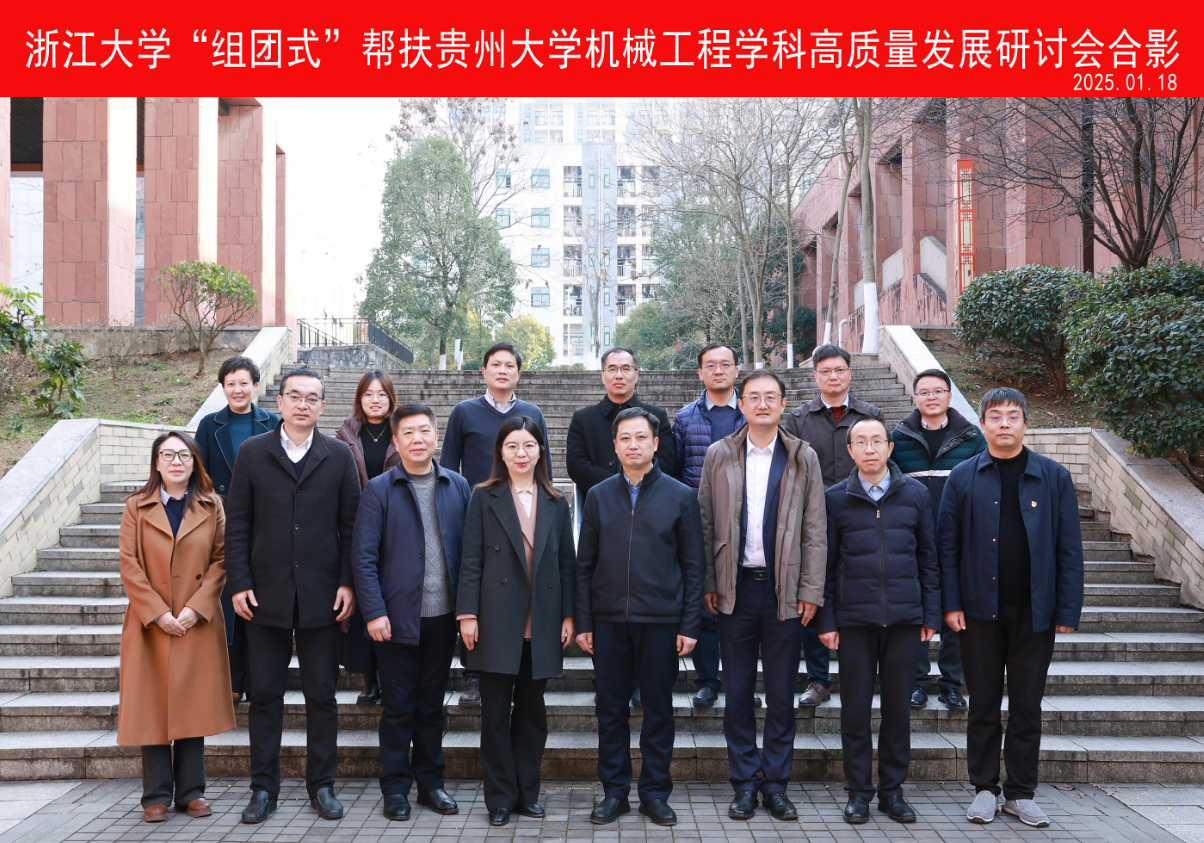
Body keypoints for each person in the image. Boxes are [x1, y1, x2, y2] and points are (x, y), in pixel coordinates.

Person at [940, 388, 1084, 829]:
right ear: (982, 424)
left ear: (1025, 423)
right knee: (982, 703)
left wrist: (1067, 608)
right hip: (978, 612)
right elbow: (947, 547)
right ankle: (985, 789)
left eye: (1013, 416)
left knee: (1027, 704)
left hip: (1035, 613)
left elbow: (1069, 548)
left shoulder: (1053, 476)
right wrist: (951, 603)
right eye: (996, 416)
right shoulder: (962, 476)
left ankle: (1021, 793)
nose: (1004, 423)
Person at [225, 367, 362, 824]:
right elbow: (237, 524)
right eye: (295, 396)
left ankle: (322, 785)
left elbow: (352, 527)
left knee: (322, 695)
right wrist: (239, 582)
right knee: (265, 695)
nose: (303, 404)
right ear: (279, 402)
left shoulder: (339, 455)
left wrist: (347, 583)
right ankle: (263, 789)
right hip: (264, 596)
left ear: (323, 406)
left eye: (312, 398)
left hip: (323, 596)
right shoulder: (252, 452)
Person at [698, 371, 827, 822]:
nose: (762, 404)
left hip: (783, 593)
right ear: (742, 404)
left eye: (771, 397)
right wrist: (709, 581)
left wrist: (811, 589)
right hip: (733, 589)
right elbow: (705, 521)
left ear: (783, 403)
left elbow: (815, 528)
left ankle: (775, 785)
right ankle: (745, 784)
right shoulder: (720, 454)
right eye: (753, 396)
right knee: (736, 693)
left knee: (780, 694)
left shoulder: (802, 456)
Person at [575, 407, 703, 828]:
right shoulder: (598, 496)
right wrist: (584, 621)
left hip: (661, 622)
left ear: (655, 443)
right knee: (610, 710)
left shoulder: (680, 496)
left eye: (641, 437)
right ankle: (615, 793)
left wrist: (689, 624)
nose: (633, 445)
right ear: (614, 446)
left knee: (658, 711)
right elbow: (584, 564)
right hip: (609, 621)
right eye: (625, 438)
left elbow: (693, 567)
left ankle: (654, 793)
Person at [351, 403, 472, 822]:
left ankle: (431, 784)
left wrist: (467, 611)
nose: (417, 439)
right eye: (408, 433)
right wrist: (374, 612)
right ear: (396, 441)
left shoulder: (457, 485)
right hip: (396, 620)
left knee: (431, 707)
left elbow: (470, 555)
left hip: (443, 618)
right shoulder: (379, 489)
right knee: (398, 708)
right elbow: (363, 557)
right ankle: (396, 789)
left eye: (424, 431)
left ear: (436, 436)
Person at [816, 418, 940, 825]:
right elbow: (826, 565)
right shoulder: (835, 498)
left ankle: (892, 791)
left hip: (905, 620)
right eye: (861, 442)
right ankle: (858, 792)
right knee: (854, 711)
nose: (869, 449)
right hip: (854, 621)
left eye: (876, 441)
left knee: (897, 711)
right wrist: (827, 620)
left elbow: (929, 558)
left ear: (890, 447)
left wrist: (930, 613)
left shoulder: (916, 494)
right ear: (850, 451)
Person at [457, 418, 576, 827]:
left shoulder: (557, 500)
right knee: (494, 715)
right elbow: (471, 559)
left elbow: (567, 563)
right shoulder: (483, 496)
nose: (521, 453)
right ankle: (500, 798)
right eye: (512, 446)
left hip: (541, 620)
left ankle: (527, 793)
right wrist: (467, 614)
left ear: (541, 451)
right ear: (501, 453)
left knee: (531, 713)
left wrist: (568, 614)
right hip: (495, 619)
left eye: (528, 445)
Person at [117, 431, 235, 823]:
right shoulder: (136, 506)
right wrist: (157, 612)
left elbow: (221, 560)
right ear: (156, 462)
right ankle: (155, 795)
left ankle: (191, 792)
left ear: (194, 461)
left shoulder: (211, 504)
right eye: (168, 455)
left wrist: (196, 608)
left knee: (191, 704)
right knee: (150, 708)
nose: (176, 462)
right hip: (149, 623)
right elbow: (129, 564)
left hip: (194, 621)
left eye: (183, 454)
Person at [441, 342, 550, 705]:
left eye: (509, 365)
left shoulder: (531, 412)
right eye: (496, 365)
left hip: (522, 512)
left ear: (519, 372)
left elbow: (544, 463)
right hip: (478, 515)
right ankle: (473, 672)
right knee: (476, 589)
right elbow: (449, 466)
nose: (502, 370)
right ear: (484, 371)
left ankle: (518, 666)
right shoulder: (464, 412)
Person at [567, 347, 676, 710]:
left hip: (652, 518)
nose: (619, 374)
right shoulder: (583, 418)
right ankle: (609, 679)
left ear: (636, 374)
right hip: (601, 517)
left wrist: (636, 484)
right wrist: (617, 487)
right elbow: (576, 465)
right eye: (612, 368)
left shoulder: (657, 417)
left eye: (626, 368)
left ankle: (642, 682)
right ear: (602, 375)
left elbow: (669, 461)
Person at [783, 344, 886, 709]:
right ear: (815, 376)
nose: (833, 376)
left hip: (862, 517)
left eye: (839, 370)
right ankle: (818, 678)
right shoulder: (798, 418)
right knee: (814, 593)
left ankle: (864, 673)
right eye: (825, 371)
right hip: (815, 520)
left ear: (849, 373)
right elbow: (791, 470)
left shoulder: (870, 415)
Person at [890, 368, 985, 711]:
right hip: (912, 540)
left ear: (949, 395)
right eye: (924, 392)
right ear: (915, 397)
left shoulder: (972, 438)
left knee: (956, 612)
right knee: (915, 612)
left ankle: (951, 685)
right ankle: (917, 683)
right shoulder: (898, 438)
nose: (931, 397)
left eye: (938, 391)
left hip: (959, 540)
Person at [194, 355, 279, 706]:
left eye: (244, 383)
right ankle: (233, 678)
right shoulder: (208, 425)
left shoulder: (273, 423)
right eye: (231, 384)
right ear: (223, 387)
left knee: (260, 600)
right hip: (222, 524)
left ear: (255, 385)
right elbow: (198, 476)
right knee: (229, 603)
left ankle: (260, 679)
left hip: (265, 524)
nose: (238, 389)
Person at [673, 343, 752, 710]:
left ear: (736, 370)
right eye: (710, 365)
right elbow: (675, 472)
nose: (718, 371)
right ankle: (707, 681)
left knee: (744, 608)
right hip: (701, 522)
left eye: (725, 364)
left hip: (748, 522)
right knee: (705, 603)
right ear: (700, 373)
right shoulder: (684, 418)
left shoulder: (753, 413)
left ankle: (743, 682)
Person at [335, 370, 401, 708]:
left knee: (391, 598)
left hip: (396, 525)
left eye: (381, 394)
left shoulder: (402, 430)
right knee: (363, 603)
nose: (375, 400)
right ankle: (369, 679)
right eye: (368, 394)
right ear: (359, 398)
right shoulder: (345, 434)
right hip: (357, 523)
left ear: (391, 398)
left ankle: (390, 676)